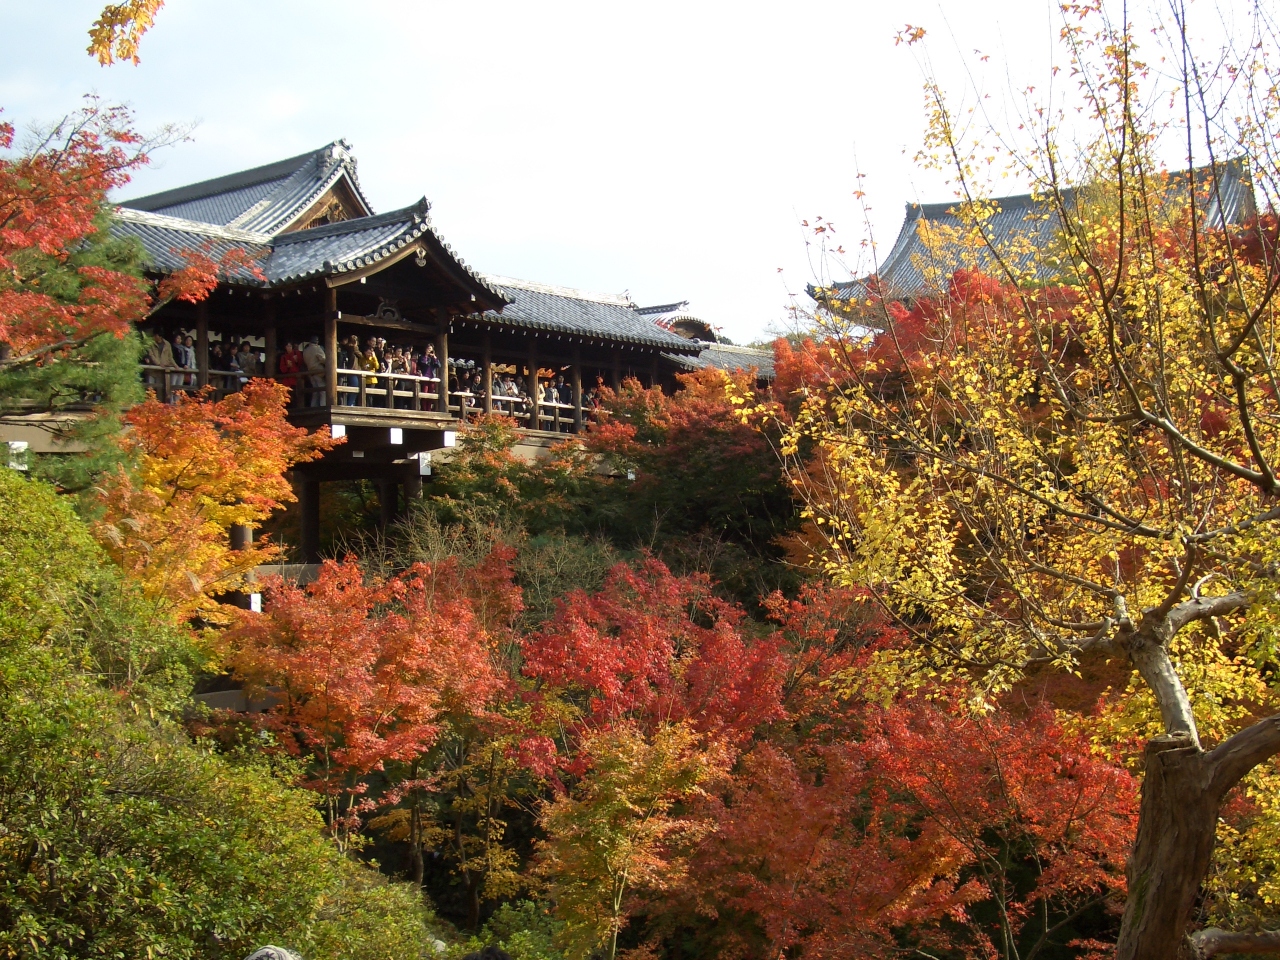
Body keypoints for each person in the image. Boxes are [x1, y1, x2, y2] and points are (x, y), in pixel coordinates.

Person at [144, 331, 176, 395]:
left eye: (156, 336)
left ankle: (160, 403)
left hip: (162, 371)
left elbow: (170, 357)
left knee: (160, 389)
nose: (154, 337)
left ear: (160, 337)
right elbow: (151, 355)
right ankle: (150, 403)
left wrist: (175, 365)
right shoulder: (151, 344)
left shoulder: (167, 344)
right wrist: (158, 364)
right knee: (150, 388)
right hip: (152, 369)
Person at [301, 338, 327, 407]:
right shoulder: (317, 349)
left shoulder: (305, 351)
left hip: (310, 372)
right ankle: (323, 406)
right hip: (318, 371)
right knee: (323, 390)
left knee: (315, 391)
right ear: (317, 342)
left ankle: (313, 406)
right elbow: (323, 359)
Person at [278, 341, 305, 407]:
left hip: (297, 379)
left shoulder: (297, 353)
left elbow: (302, 364)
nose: (289, 348)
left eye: (290, 346)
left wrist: (296, 360)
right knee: (288, 396)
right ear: (285, 347)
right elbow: (282, 369)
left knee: (296, 395)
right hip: (287, 380)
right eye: (287, 346)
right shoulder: (283, 357)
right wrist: (287, 366)